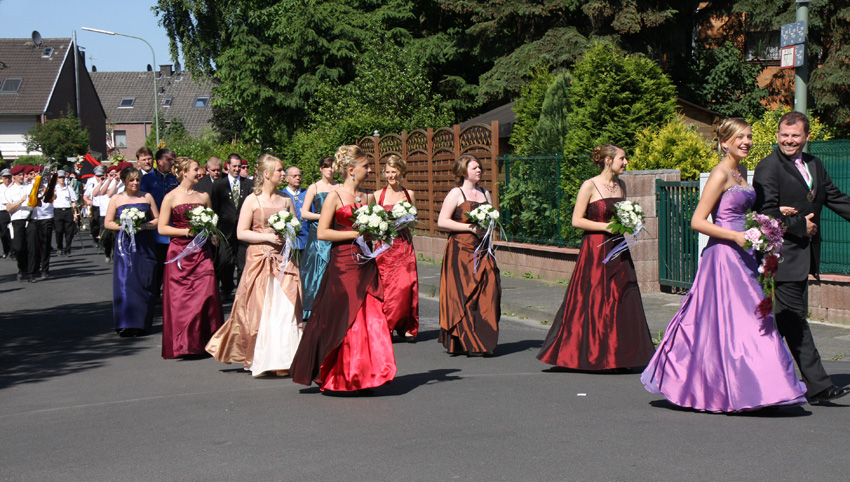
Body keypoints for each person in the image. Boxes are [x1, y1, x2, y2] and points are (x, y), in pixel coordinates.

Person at [641, 118, 808, 413]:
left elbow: (740, 211)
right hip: (723, 258)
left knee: (751, 321)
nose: (747, 142)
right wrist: (736, 235)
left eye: (749, 136)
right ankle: (731, 388)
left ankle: (758, 387)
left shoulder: (741, 170)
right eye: (740, 137)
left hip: (743, 255)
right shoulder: (720, 173)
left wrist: (767, 218)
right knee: (739, 322)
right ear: (724, 142)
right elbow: (697, 221)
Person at [753, 111, 850, 404]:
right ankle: (819, 386)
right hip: (781, 257)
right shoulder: (768, 167)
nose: (789, 140)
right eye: (784, 135)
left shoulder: (814, 164)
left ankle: (755, 377)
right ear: (777, 135)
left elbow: (833, 197)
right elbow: (765, 213)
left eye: (795, 136)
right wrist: (800, 226)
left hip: (804, 258)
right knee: (794, 319)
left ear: (807, 137)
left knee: (784, 322)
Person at [537, 145, 654, 370]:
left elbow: (621, 214)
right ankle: (587, 352)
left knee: (621, 296)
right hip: (595, 249)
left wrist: (630, 223)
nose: (626, 162)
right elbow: (576, 220)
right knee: (595, 298)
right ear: (608, 160)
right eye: (622, 158)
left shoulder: (621, 185)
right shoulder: (589, 185)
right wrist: (605, 227)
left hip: (618, 248)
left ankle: (619, 353)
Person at [290, 145, 396, 392]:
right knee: (344, 316)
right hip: (343, 263)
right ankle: (340, 372)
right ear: (351, 170)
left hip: (366, 261)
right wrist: (357, 232)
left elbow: (374, 229)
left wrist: (378, 231)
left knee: (371, 314)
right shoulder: (333, 197)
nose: (370, 170)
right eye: (365, 166)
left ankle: (368, 371)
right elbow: (324, 232)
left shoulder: (369, 197)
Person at [206, 154, 303, 376]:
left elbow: (295, 227)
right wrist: (267, 237)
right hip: (259, 259)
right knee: (262, 308)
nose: (282, 173)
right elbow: (241, 232)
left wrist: (287, 233)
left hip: (282, 259)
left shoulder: (286, 200)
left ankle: (285, 359)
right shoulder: (252, 200)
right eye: (279, 170)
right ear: (267, 174)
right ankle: (263, 358)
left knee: (285, 307)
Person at [157, 157, 224, 359]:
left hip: (201, 252)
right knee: (181, 299)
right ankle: (184, 343)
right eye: (196, 170)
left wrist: (212, 236)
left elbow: (212, 222)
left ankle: (208, 340)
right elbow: (162, 228)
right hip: (179, 253)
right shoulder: (170, 197)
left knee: (207, 291)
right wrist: (187, 231)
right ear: (184, 172)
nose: (199, 173)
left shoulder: (203, 196)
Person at [437, 154, 501, 356]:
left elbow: (492, 217)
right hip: (461, 251)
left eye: (480, 167)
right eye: (475, 168)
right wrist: (470, 228)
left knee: (489, 291)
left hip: (483, 249)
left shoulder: (485, 192)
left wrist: (489, 230)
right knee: (464, 295)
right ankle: (467, 340)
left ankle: (484, 337)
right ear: (464, 171)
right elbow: (442, 221)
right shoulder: (456, 193)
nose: (479, 170)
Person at [103, 166, 159, 337]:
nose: (135, 183)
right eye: (131, 180)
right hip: (125, 244)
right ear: (124, 182)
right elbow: (108, 222)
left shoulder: (147, 196)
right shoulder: (116, 199)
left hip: (144, 244)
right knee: (125, 282)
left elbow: (157, 219)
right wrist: (124, 226)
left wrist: (143, 226)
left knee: (145, 281)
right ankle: (126, 323)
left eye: (137, 180)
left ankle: (142, 323)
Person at [375, 155, 419, 341]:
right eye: (387, 172)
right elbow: (372, 219)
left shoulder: (409, 194)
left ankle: (406, 324)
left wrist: (407, 221)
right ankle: (386, 324)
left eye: (394, 172)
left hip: (403, 244)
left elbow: (414, 220)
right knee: (386, 285)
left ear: (401, 173)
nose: (390, 175)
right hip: (384, 245)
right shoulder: (377, 195)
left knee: (406, 285)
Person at [300, 156, 338, 320]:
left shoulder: (340, 187)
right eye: (326, 166)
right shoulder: (314, 187)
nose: (330, 169)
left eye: (332, 166)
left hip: (336, 231)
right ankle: (312, 307)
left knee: (334, 268)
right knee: (315, 269)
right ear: (321, 169)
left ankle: (333, 305)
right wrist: (323, 216)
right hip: (318, 234)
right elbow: (304, 213)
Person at [211, 153, 253, 300]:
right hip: (225, 230)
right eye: (234, 166)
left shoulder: (248, 184)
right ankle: (226, 288)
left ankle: (242, 292)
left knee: (243, 263)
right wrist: (213, 232)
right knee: (225, 261)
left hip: (243, 230)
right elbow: (214, 209)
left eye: (239, 166)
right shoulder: (219, 184)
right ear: (228, 166)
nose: (237, 169)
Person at [140, 149, 179, 297]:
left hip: (172, 228)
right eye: (169, 160)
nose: (171, 163)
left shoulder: (175, 180)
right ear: (160, 161)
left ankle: (170, 292)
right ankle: (153, 292)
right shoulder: (147, 180)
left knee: (171, 263)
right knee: (155, 264)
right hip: (154, 230)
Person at [5, 165, 37, 282]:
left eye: (23, 174)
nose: (22, 176)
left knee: (32, 247)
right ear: (14, 176)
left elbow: (37, 200)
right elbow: (9, 209)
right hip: (17, 220)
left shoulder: (30, 187)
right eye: (19, 175)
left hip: (30, 218)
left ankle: (31, 273)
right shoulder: (9, 191)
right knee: (18, 247)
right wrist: (21, 201)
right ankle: (22, 268)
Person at [31, 168, 55, 279]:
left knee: (45, 245)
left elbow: (53, 198)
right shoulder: (30, 184)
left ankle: (45, 269)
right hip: (33, 217)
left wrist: (45, 188)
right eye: (36, 173)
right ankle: (35, 268)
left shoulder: (50, 184)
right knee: (34, 245)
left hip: (46, 217)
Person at [282, 166, 309, 256]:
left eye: (299, 176)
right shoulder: (281, 195)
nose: (298, 178)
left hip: (307, 240)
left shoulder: (308, 194)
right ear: (287, 178)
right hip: (288, 242)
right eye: (294, 176)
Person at [52, 170, 78, 256]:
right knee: (58, 231)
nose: (62, 179)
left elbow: (73, 202)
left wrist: (75, 214)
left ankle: (68, 249)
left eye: (63, 177)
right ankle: (59, 247)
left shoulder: (69, 189)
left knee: (69, 232)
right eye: (60, 177)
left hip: (68, 211)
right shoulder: (54, 189)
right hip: (57, 211)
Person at [83, 165, 107, 251]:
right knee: (94, 226)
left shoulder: (108, 182)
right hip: (95, 206)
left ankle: (103, 242)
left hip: (104, 207)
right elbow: (85, 195)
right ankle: (95, 239)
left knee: (103, 225)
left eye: (101, 176)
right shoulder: (91, 183)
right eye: (97, 176)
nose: (99, 178)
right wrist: (88, 201)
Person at [0, 168, 13, 259]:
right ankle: (6, 250)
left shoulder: (14, 187)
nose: (7, 179)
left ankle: (13, 251)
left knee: (13, 233)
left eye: (9, 177)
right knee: (4, 233)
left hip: (13, 211)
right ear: (2, 178)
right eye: (5, 177)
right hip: (2, 212)